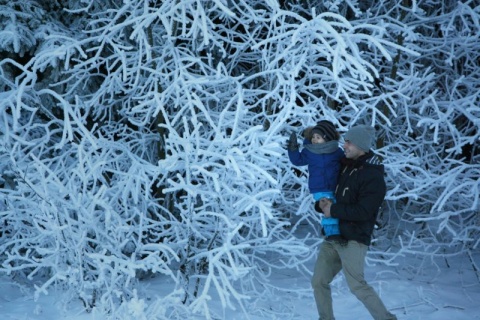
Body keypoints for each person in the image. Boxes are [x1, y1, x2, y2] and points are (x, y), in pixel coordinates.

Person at [311, 125, 397, 320]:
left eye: (349, 141)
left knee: (357, 285)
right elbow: (333, 195)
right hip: (333, 235)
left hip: (354, 239)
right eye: (345, 140)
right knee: (318, 281)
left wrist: (332, 209)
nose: (345, 144)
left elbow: (364, 211)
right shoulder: (345, 166)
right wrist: (322, 204)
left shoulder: (373, 176)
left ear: (361, 146)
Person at [287, 120, 344, 237]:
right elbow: (297, 160)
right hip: (318, 188)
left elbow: (345, 163)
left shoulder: (336, 151)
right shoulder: (309, 151)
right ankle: (331, 233)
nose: (314, 139)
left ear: (327, 138)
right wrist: (293, 149)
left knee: (335, 210)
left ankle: (337, 231)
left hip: (335, 187)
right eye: (313, 137)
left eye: (318, 137)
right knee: (327, 209)